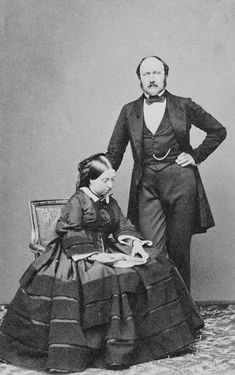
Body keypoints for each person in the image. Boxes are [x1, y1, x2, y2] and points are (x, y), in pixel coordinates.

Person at [0, 153, 204, 372]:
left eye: (112, 180)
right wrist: (96, 255)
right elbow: (68, 230)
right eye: (105, 180)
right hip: (75, 254)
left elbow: (122, 224)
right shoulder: (78, 200)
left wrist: (133, 242)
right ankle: (103, 348)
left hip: (105, 248)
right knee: (105, 275)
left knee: (155, 265)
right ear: (91, 180)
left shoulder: (109, 201)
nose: (110, 185)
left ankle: (155, 341)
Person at [107, 55, 227, 291]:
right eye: (146, 74)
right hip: (146, 185)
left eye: (156, 73)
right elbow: (114, 152)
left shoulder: (184, 105)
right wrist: (96, 180)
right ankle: (159, 313)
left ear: (165, 76)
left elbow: (218, 131)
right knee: (150, 248)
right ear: (139, 79)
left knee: (179, 249)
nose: (152, 79)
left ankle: (185, 316)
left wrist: (195, 155)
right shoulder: (129, 111)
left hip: (181, 182)